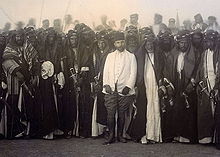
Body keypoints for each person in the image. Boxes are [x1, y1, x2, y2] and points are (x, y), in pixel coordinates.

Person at [102, 31, 137, 144]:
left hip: (124, 90)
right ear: (114, 44)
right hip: (111, 89)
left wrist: (128, 86)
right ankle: (111, 135)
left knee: (122, 113)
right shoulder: (110, 56)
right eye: (118, 42)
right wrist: (106, 84)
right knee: (110, 113)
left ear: (125, 42)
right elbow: (105, 72)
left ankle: (120, 135)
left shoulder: (131, 57)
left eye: (122, 42)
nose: (120, 44)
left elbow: (133, 73)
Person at [135, 29, 163, 144]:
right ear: (144, 44)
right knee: (144, 109)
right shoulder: (139, 56)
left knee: (155, 107)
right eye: (147, 44)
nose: (149, 46)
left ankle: (155, 135)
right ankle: (145, 135)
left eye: (151, 44)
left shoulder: (159, 55)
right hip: (144, 86)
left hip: (155, 85)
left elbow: (161, 71)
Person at [2, 29, 27, 139]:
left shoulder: (24, 48)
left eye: (20, 36)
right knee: (12, 105)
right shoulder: (9, 48)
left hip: (23, 81)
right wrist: (17, 72)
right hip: (12, 81)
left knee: (21, 105)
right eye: (16, 36)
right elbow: (6, 61)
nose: (19, 38)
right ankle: (11, 132)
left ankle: (20, 130)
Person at [173, 30, 198, 143]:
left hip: (190, 84)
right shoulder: (176, 54)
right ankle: (180, 134)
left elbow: (197, 70)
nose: (182, 45)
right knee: (179, 109)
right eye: (180, 43)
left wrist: (192, 83)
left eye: (184, 43)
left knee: (190, 110)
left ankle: (190, 136)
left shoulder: (195, 53)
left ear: (188, 43)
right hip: (179, 83)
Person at [195, 30, 219, 144]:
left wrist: (217, 87)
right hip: (206, 85)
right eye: (207, 41)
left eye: (211, 41)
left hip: (217, 83)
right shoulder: (204, 53)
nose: (209, 43)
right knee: (206, 112)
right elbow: (200, 69)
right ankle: (207, 138)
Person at [157, 30, 176, 142]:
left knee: (172, 108)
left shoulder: (174, 52)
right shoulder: (159, 53)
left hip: (173, 84)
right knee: (161, 108)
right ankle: (162, 134)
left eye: (167, 39)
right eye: (164, 39)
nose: (166, 42)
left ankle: (171, 134)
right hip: (160, 83)